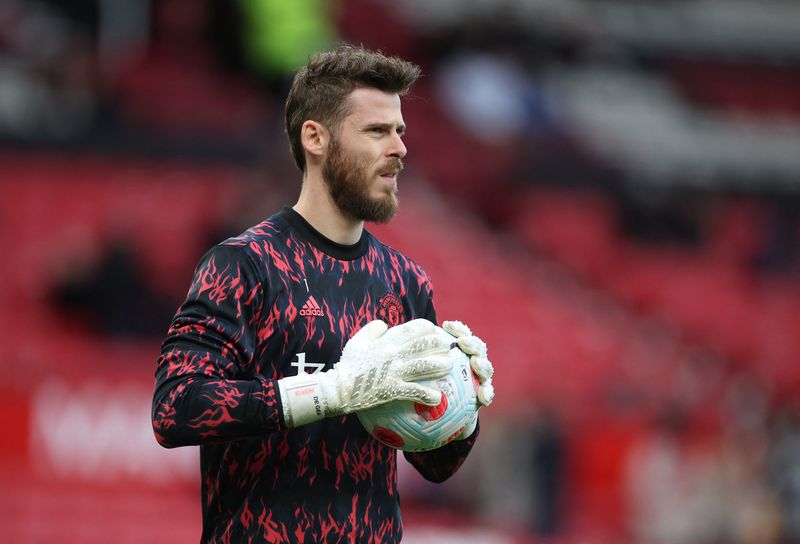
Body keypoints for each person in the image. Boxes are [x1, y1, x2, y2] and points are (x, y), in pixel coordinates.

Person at [152, 44, 495, 543]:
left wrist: (461, 412)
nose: (399, 148)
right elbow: (176, 407)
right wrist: (329, 392)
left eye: (399, 131)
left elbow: (435, 464)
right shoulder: (245, 265)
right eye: (377, 131)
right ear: (315, 137)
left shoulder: (405, 281)